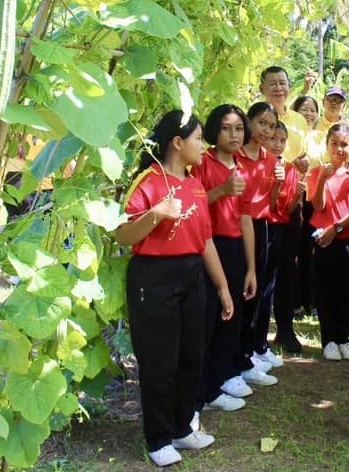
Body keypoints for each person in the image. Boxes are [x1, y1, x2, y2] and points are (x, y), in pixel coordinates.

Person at [116, 109, 234, 467]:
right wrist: (157, 214)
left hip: (192, 275)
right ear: (178, 143)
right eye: (199, 138)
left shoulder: (196, 184)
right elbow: (122, 235)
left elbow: (206, 240)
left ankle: (183, 427)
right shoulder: (148, 181)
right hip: (153, 277)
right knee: (159, 361)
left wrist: (222, 287)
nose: (204, 144)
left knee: (190, 355)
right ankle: (158, 437)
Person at [192, 105, 258, 414]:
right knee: (208, 320)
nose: (234, 135)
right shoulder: (203, 163)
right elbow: (191, 204)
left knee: (232, 318)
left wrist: (252, 268)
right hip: (209, 245)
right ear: (213, 132)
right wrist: (222, 190)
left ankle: (217, 383)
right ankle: (202, 390)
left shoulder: (242, 167)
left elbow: (246, 219)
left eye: (239, 129)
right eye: (226, 128)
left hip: (234, 249)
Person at [307, 123, 349, 361]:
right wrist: (323, 178)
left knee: (347, 290)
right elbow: (319, 205)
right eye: (334, 144)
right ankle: (329, 340)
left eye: (344, 144)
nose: (339, 149)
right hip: (323, 239)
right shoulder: (317, 173)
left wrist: (338, 227)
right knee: (325, 290)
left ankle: (344, 338)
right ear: (327, 146)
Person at [235, 102, 284, 382]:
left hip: (262, 227)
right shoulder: (236, 156)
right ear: (249, 122)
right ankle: (239, 357)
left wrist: (277, 184)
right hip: (237, 228)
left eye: (272, 125)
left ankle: (251, 351)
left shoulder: (270, 159)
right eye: (262, 123)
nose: (266, 130)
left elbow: (272, 204)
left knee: (261, 289)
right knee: (243, 290)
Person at [266, 122, 307, 355]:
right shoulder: (260, 166)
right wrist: (277, 184)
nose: (278, 144)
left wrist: (298, 195)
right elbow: (267, 206)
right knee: (264, 281)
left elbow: (289, 208)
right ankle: (257, 335)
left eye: (282, 140)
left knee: (286, 278)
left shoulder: (290, 169)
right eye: (273, 139)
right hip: (264, 228)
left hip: (286, 229)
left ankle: (285, 330)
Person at [259, 67, 309, 173]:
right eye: (272, 84)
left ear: (289, 87)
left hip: (293, 184)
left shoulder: (300, 120)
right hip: (263, 181)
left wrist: (303, 161)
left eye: (282, 83)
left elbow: (302, 154)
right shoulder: (256, 120)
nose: (278, 88)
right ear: (262, 89)